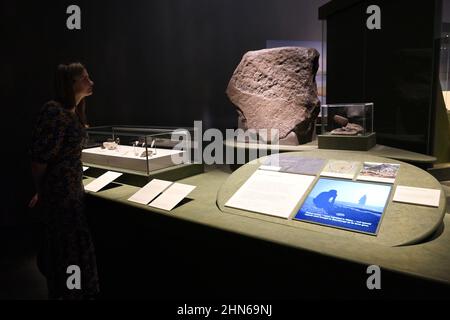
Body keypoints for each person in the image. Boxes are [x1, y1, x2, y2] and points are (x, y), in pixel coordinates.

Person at [28, 62, 99, 300]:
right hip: (60, 196)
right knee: (65, 250)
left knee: (74, 247)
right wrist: (42, 192)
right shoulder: (54, 111)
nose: (91, 82)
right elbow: (39, 159)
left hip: (72, 192)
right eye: (85, 78)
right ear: (72, 83)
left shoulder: (74, 112)